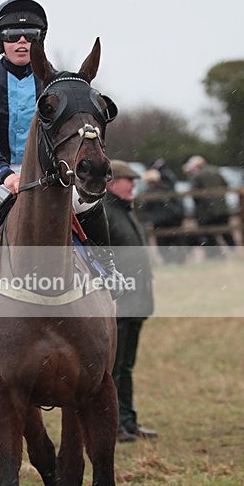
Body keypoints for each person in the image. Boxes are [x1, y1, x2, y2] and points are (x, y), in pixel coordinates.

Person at [0, 0, 125, 319]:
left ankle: (107, 270)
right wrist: (4, 174)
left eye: (31, 35)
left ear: (40, 41)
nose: (22, 41)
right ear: (1, 42)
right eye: (13, 35)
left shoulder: (57, 82)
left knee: (89, 204)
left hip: (48, 172)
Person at [104, 160, 157, 443]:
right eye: (129, 180)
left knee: (125, 367)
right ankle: (113, 425)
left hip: (137, 304)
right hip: (120, 306)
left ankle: (128, 421)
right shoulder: (105, 212)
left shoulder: (126, 211)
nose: (133, 185)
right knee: (115, 369)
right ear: (113, 183)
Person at [182, 155, 235, 255]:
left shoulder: (197, 175)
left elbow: (194, 193)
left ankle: (216, 255)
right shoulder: (216, 171)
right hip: (221, 209)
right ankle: (236, 252)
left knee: (208, 234)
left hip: (207, 211)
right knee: (226, 233)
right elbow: (226, 185)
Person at [137, 158, 187, 264]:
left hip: (162, 220)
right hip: (169, 219)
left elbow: (144, 208)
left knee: (166, 242)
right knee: (173, 241)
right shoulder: (167, 187)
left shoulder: (150, 192)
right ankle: (176, 260)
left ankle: (171, 260)